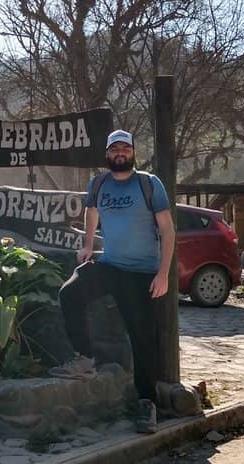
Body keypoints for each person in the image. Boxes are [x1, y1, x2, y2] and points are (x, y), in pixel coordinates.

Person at [51, 129, 175, 434]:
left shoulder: (149, 183)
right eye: (115, 148)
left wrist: (163, 274)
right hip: (110, 264)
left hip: (141, 272)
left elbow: (168, 231)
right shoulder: (99, 182)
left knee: (143, 338)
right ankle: (86, 359)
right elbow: (91, 213)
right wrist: (89, 245)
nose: (120, 152)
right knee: (70, 294)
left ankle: (147, 403)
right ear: (107, 154)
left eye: (125, 148)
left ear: (133, 152)